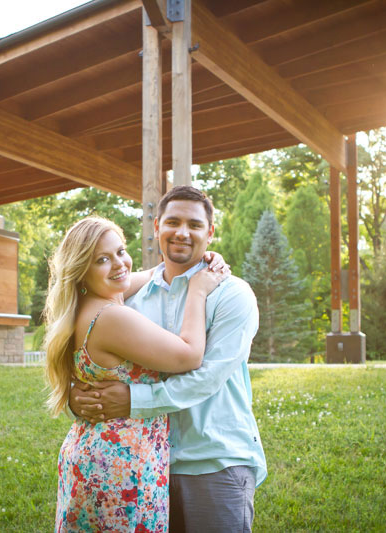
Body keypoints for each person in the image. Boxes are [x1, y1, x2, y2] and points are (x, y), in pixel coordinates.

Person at [71, 186, 267, 533]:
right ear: (157, 226)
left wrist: (132, 401)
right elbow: (98, 351)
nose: (182, 232)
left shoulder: (232, 295)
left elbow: (205, 377)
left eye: (194, 225)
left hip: (215, 462)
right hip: (147, 465)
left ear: (210, 233)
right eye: (173, 222)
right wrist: (79, 392)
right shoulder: (128, 297)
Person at [44, 216, 228, 532]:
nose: (119, 264)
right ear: (82, 272)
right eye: (102, 259)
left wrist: (196, 262)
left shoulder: (85, 306)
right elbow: (189, 355)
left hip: (95, 453)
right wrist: (197, 290)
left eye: (121, 251)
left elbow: (139, 276)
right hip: (121, 466)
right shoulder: (111, 317)